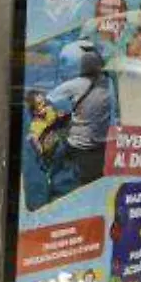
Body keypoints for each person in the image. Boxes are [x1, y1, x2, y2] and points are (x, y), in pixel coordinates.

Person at [47, 45, 114, 195]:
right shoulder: (108, 82)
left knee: (55, 155)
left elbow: (49, 98)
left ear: (83, 67)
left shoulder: (76, 84)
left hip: (78, 144)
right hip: (102, 143)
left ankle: (50, 181)